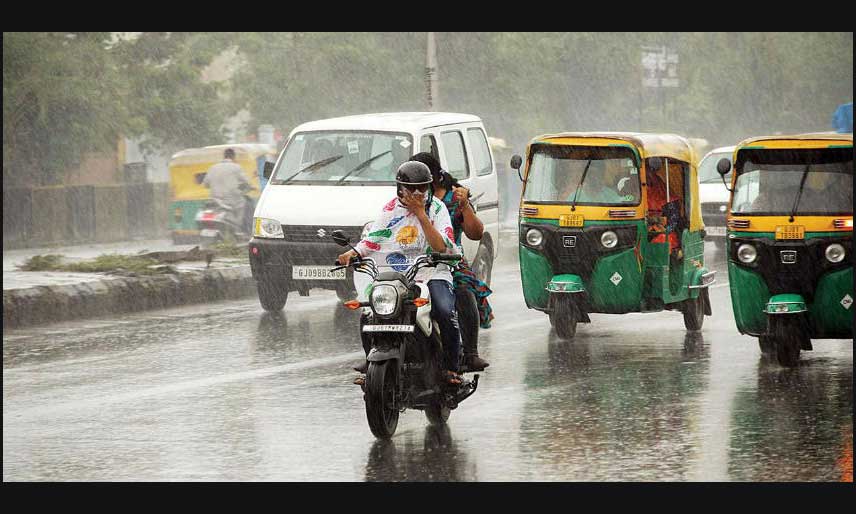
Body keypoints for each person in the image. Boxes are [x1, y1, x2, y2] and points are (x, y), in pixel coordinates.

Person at [337, 161, 464, 385]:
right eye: (410, 188)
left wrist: (420, 214)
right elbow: (373, 238)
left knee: (444, 310)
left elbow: (441, 246)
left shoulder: (437, 209)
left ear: (429, 187)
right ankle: (371, 360)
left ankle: (452, 368)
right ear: (400, 188)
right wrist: (352, 252)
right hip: (396, 275)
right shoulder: (389, 209)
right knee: (369, 311)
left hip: (432, 271)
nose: (417, 193)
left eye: (422, 188)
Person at [411, 151, 492, 372]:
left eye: (421, 180)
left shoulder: (452, 199)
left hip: (447, 260)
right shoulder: (405, 200)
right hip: (410, 260)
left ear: (433, 177)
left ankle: (470, 353)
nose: (415, 188)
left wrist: (465, 206)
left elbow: (476, 233)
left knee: (464, 292)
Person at [202, 148, 251, 231]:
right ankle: (238, 229)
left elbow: (205, 184)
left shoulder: (213, 168)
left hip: (215, 200)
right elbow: (246, 182)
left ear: (224, 156)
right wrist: (246, 187)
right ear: (233, 157)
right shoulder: (236, 167)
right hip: (232, 200)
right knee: (243, 203)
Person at [646, 161, 681, 253]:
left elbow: (673, 221)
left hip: (662, 232)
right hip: (640, 232)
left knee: (663, 240)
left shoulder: (667, 197)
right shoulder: (633, 195)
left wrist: (660, 231)